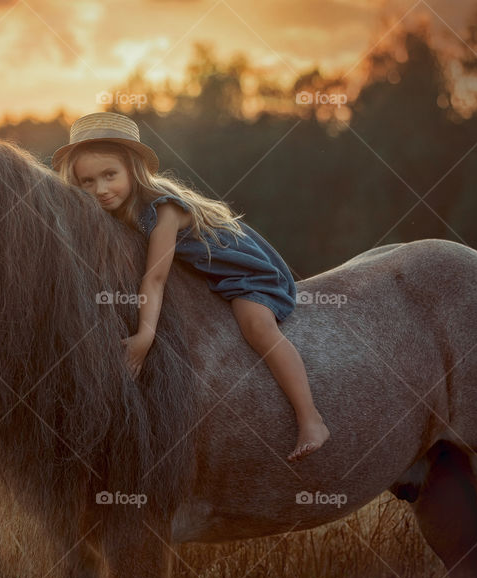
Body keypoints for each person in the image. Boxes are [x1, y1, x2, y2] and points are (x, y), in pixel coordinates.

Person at [53, 112, 329, 461]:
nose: (101, 190)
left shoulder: (162, 209)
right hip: (207, 274)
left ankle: (311, 419)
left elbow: (154, 278)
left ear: (134, 170)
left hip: (247, 272)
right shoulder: (114, 210)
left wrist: (144, 337)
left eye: (110, 175)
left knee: (255, 324)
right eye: (87, 182)